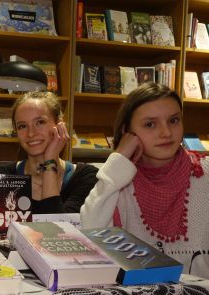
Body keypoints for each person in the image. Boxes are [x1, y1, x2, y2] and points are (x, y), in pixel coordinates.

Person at [81, 82, 209, 278]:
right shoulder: (119, 177)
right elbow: (92, 231)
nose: (166, 133)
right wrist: (120, 157)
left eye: (173, 120)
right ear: (127, 132)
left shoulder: (205, 171)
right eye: (150, 124)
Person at [0, 90, 98, 213]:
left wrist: (49, 162)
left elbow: (58, 228)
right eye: (22, 126)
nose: (31, 133)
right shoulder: (4, 176)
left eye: (40, 122)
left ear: (59, 125)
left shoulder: (86, 177)